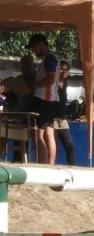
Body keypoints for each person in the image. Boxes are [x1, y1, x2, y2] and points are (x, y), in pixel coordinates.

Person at [28, 34, 60, 165]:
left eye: (34, 48)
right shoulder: (50, 58)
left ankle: (42, 164)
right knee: (49, 133)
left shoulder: (49, 58)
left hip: (44, 99)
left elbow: (50, 79)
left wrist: (33, 84)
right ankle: (50, 165)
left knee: (37, 133)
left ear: (40, 44)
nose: (33, 51)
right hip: (50, 100)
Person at [55, 60, 75, 165]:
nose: (64, 72)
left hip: (62, 118)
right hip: (52, 118)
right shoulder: (53, 82)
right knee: (54, 146)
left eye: (66, 70)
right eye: (61, 69)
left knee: (70, 145)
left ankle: (73, 167)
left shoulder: (65, 83)